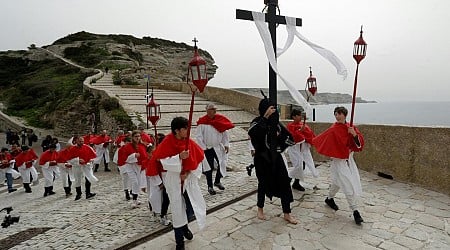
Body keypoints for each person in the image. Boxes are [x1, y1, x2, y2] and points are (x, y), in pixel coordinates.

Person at [151, 117, 206, 250]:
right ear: (177, 130)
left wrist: (187, 173)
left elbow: (198, 160)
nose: (188, 130)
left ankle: (185, 227)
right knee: (176, 209)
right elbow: (163, 161)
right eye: (185, 128)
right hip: (173, 180)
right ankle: (179, 241)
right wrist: (179, 158)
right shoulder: (168, 142)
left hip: (188, 180)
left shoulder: (189, 142)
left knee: (188, 206)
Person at [248, 94, 298, 224]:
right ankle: (260, 209)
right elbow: (253, 133)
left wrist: (278, 137)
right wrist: (265, 118)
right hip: (262, 158)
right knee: (263, 183)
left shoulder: (277, 125)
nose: (272, 111)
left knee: (285, 183)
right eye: (269, 109)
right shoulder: (257, 121)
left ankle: (287, 213)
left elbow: (291, 140)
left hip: (276, 158)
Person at [312, 106, 365, 225]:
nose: (337, 116)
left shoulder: (351, 127)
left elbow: (358, 144)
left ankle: (329, 199)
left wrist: (354, 135)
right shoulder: (334, 129)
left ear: (344, 115)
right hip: (339, 161)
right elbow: (322, 138)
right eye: (335, 114)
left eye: (339, 113)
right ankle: (355, 211)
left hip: (349, 161)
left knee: (336, 183)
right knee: (348, 185)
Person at [196, 103, 234, 195]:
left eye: (214, 109)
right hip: (207, 148)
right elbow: (199, 136)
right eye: (212, 109)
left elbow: (224, 133)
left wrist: (226, 144)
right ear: (207, 111)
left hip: (218, 147)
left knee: (222, 163)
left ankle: (217, 181)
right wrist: (203, 148)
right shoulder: (202, 122)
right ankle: (210, 187)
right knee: (209, 168)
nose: (214, 111)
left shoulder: (220, 120)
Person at [286, 109, 319, 191]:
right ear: (294, 117)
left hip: (303, 150)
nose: (301, 117)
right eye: (299, 115)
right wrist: (300, 131)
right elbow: (291, 137)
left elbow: (309, 135)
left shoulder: (303, 125)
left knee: (302, 166)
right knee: (298, 166)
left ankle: (296, 183)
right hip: (294, 150)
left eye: (301, 115)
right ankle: (287, 179)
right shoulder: (290, 126)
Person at [145, 133, 171, 226]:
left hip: (170, 176)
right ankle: (160, 214)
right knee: (158, 198)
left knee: (167, 198)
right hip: (161, 179)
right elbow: (153, 169)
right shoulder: (156, 154)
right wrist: (159, 183)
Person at [117, 130, 148, 208]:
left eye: (138, 136)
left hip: (139, 166)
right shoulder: (127, 146)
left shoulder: (142, 145)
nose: (137, 138)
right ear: (132, 137)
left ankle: (136, 198)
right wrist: (134, 155)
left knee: (138, 182)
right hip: (130, 166)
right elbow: (125, 158)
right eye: (136, 136)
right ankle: (134, 200)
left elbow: (145, 155)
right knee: (135, 181)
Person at [67, 135, 98, 200]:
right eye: (80, 141)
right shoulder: (72, 149)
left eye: (82, 141)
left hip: (86, 166)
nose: (81, 143)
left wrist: (90, 160)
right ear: (76, 141)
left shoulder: (87, 147)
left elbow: (94, 156)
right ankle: (78, 194)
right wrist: (78, 160)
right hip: (77, 167)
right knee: (78, 180)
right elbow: (69, 160)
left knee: (88, 178)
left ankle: (88, 193)